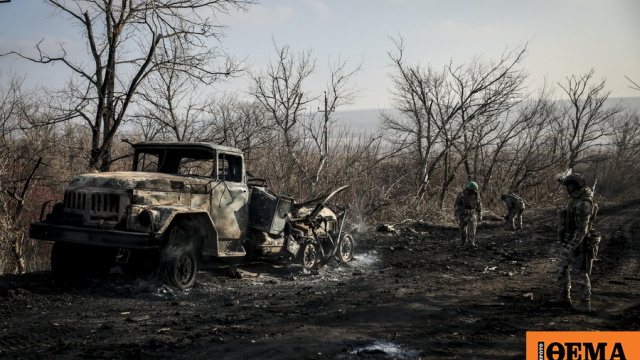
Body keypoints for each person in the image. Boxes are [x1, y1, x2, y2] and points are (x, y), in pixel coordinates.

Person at [552, 173, 599, 312]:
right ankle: (564, 297)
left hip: (579, 244)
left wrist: (571, 247)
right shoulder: (574, 199)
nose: (567, 188)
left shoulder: (584, 203)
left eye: (569, 185)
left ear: (574, 186)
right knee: (561, 268)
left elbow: (582, 230)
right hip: (567, 240)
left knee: (580, 274)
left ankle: (585, 303)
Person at [454, 181, 483, 249]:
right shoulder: (462, 194)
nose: (474, 191)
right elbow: (457, 205)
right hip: (463, 214)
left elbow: (479, 205)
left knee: (472, 229)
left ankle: (471, 243)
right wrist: (456, 214)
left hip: (472, 214)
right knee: (462, 230)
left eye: (475, 190)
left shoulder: (477, 194)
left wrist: (480, 214)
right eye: (472, 190)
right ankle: (463, 243)